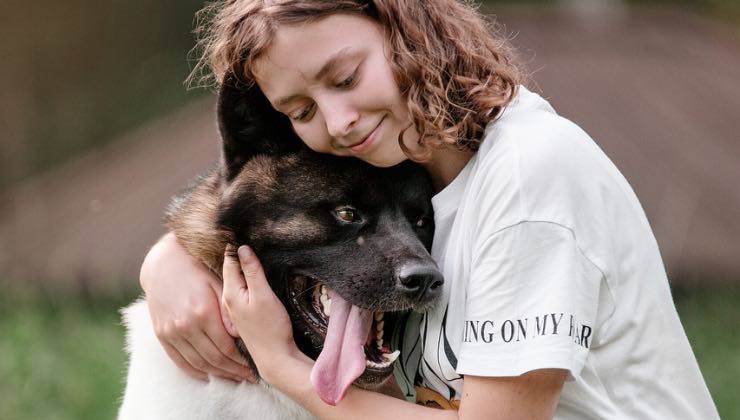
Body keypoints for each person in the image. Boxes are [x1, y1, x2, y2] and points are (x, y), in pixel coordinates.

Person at [139, 1, 719, 418]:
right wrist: (171, 259)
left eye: (345, 77)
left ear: (404, 23)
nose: (337, 122)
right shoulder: (402, 167)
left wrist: (281, 366)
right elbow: (276, 200)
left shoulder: (528, 175)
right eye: (300, 110)